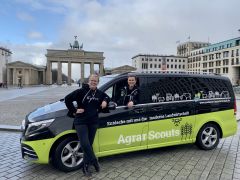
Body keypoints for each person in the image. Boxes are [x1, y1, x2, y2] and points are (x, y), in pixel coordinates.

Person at [65, 74, 110, 177]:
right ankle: (94, 161)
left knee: (89, 144)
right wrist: (74, 110)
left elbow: (107, 97)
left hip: (93, 122)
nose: (93, 82)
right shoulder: (81, 91)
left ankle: (85, 166)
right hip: (81, 121)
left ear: (98, 82)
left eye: (95, 81)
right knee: (85, 144)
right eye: (92, 80)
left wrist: (105, 101)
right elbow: (67, 99)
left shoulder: (99, 93)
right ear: (88, 81)